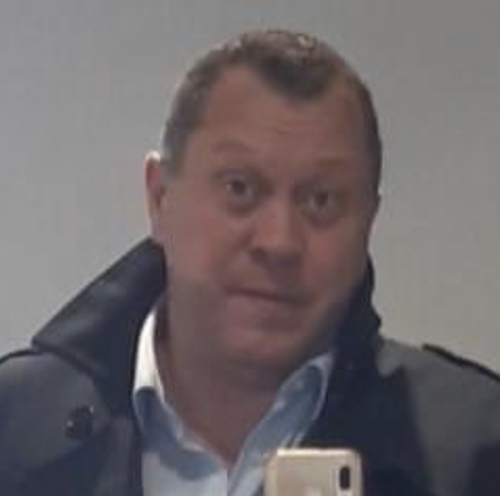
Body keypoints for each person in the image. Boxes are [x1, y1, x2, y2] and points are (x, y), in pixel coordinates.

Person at [0, 29, 499, 496]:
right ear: (160, 198)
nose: (279, 241)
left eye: (321, 200)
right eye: (240, 188)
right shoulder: (15, 424)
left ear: (369, 220)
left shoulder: (476, 448)